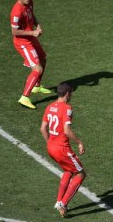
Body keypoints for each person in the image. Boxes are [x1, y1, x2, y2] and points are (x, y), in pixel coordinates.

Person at [40, 83, 86, 217]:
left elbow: (43, 128)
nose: (71, 95)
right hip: (62, 149)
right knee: (80, 174)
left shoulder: (49, 107)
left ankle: (59, 202)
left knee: (68, 170)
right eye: (71, 93)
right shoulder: (67, 108)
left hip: (51, 147)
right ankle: (63, 203)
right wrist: (79, 142)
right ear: (67, 94)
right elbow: (66, 130)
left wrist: (50, 143)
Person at [11, 0, 51, 109]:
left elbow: (31, 15)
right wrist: (32, 32)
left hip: (31, 38)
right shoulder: (16, 11)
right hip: (23, 42)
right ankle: (24, 97)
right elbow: (15, 32)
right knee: (37, 69)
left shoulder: (29, 3)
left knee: (43, 58)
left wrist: (37, 24)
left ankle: (37, 86)